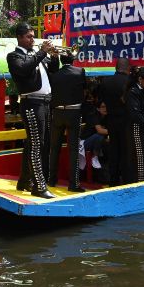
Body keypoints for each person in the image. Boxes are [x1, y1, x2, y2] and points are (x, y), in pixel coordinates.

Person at [6, 22, 60, 199]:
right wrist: (42, 52)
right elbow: (24, 69)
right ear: (20, 38)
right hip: (31, 103)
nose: (32, 39)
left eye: (32, 36)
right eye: (29, 36)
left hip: (44, 103)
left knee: (34, 143)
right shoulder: (14, 56)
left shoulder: (35, 55)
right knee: (38, 144)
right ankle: (39, 186)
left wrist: (54, 56)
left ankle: (24, 180)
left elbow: (53, 70)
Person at [48, 52, 87, 192]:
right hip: (74, 112)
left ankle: (51, 180)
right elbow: (84, 89)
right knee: (73, 149)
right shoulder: (79, 71)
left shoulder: (55, 75)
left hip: (57, 112)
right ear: (73, 59)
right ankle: (73, 183)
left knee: (54, 148)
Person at [98, 57, 131, 186]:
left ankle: (113, 180)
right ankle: (127, 179)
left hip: (111, 119)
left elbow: (102, 99)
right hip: (126, 121)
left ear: (116, 67)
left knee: (114, 150)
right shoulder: (129, 82)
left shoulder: (106, 82)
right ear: (128, 68)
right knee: (126, 151)